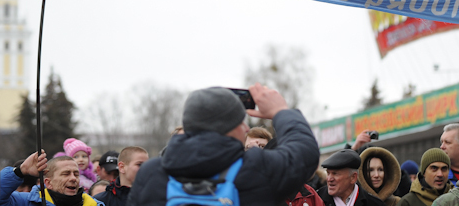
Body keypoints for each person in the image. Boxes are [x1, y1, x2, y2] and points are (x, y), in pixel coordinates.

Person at [128, 83, 320, 206]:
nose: (246, 128)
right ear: (228, 127)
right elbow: (305, 152)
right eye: (240, 121)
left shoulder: (152, 174)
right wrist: (280, 111)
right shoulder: (256, 169)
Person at [0, 151, 104, 206]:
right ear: (48, 182)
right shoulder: (27, 202)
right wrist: (20, 170)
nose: (73, 178)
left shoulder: (95, 204)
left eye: (76, 174)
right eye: (66, 174)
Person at [317, 149, 383, 206]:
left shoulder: (374, 203)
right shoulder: (315, 200)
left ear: (353, 177)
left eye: (335, 174)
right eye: (328, 173)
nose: (329, 179)